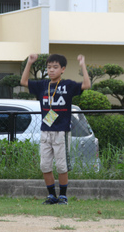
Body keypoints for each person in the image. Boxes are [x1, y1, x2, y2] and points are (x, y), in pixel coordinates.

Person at [20, 53, 91, 205]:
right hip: (46, 130)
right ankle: (51, 195)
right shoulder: (42, 85)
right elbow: (24, 81)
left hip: (61, 131)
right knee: (45, 165)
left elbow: (86, 85)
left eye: (55, 67)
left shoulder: (68, 85)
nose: (51, 70)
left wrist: (82, 65)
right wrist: (29, 63)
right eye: (49, 67)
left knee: (61, 165)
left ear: (63, 69)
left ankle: (63, 196)